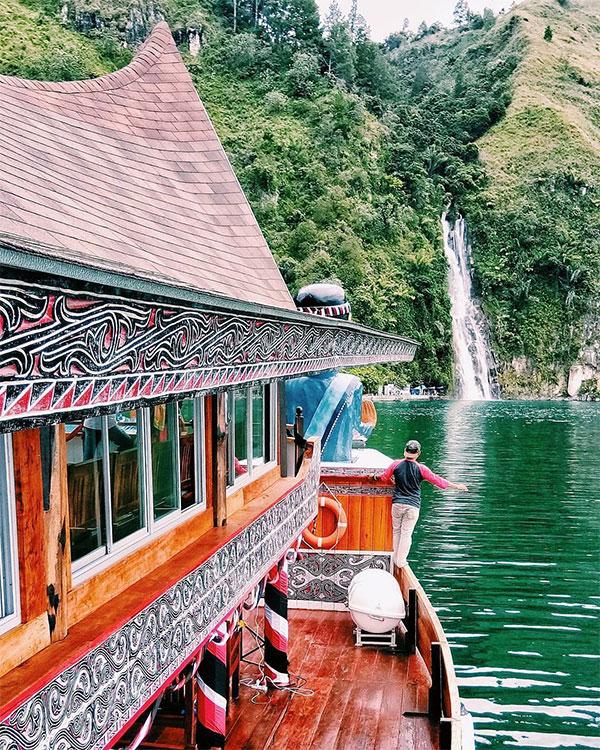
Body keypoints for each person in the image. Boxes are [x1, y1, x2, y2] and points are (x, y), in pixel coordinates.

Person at [379, 439, 468, 568]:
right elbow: (437, 480)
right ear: (418, 454)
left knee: (396, 531)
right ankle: (400, 561)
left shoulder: (395, 464)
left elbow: (384, 477)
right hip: (412, 506)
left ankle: (395, 557)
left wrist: (374, 477)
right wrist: (457, 486)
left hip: (397, 504)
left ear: (405, 451)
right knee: (406, 533)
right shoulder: (421, 468)